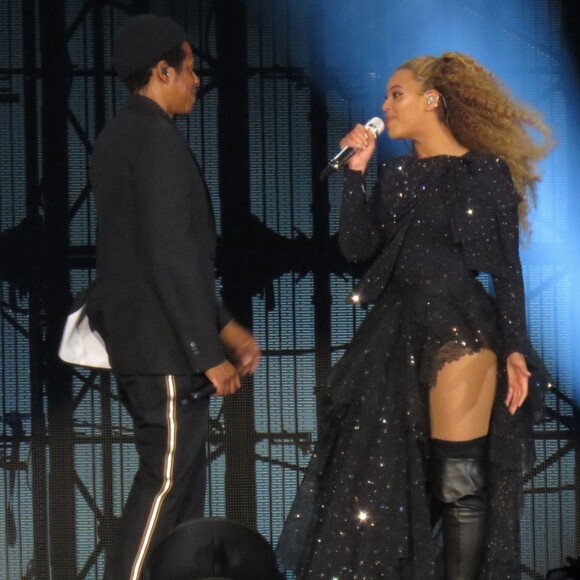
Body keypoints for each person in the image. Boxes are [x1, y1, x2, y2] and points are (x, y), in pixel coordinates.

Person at [276, 52, 553, 579]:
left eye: (395, 94)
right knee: (383, 485)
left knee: (460, 482)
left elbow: (507, 267)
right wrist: (355, 176)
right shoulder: (397, 174)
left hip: (460, 328)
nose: (384, 105)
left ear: (432, 99)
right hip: (395, 333)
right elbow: (356, 248)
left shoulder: (486, 172)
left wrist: (516, 346)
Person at [85, 14, 260, 580]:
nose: (196, 81)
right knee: (165, 484)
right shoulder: (152, 139)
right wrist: (207, 352)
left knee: (179, 489)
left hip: (158, 340)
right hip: (162, 348)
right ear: (162, 71)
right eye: (188, 69)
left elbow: (161, 254)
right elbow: (168, 256)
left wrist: (226, 329)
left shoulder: (124, 134)